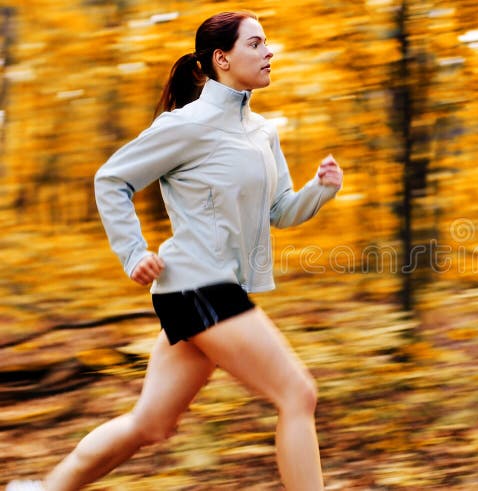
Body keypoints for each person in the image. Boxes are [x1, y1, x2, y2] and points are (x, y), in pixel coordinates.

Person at [7, 10, 342, 491]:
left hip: (206, 290)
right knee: (297, 394)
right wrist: (132, 252)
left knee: (151, 425)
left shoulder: (263, 132)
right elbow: (112, 179)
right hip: (197, 285)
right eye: (256, 44)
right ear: (222, 59)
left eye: (267, 43)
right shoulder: (187, 124)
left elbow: (280, 211)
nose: (269, 52)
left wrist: (321, 188)